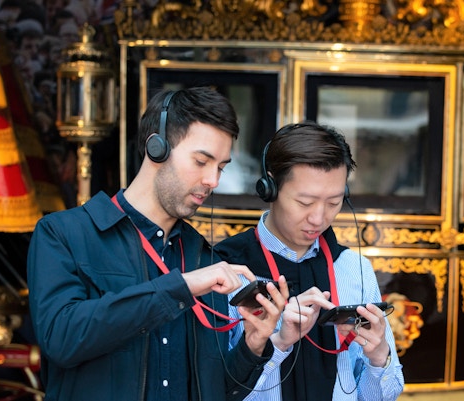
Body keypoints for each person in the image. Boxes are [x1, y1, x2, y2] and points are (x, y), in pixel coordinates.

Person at [27, 87, 289, 401]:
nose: (213, 181)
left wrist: (253, 344)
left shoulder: (202, 256)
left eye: (220, 167)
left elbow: (216, 391)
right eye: (201, 161)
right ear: (157, 148)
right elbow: (61, 339)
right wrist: (179, 287)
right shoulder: (64, 233)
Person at [215, 121, 405, 400]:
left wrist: (379, 356)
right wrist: (277, 344)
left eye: (334, 202)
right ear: (270, 187)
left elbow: (381, 396)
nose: (319, 218)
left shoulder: (353, 269)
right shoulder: (227, 269)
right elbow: (214, 390)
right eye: (305, 203)